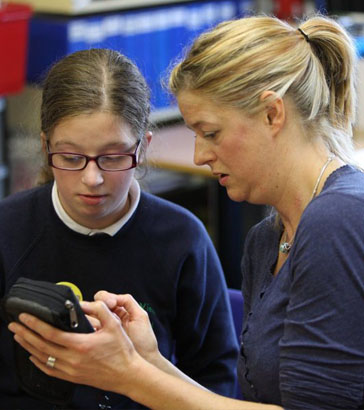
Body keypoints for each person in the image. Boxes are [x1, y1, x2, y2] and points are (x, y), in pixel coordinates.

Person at [7, 13, 364, 409]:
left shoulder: (338, 220)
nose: (199, 155)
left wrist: (127, 374)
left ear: (272, 114)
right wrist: (149, 362)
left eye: (210, 133)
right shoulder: (267, 240)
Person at [0, 48, 239, 409]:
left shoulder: (183, 240)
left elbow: (216, 384)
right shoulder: (8, 230)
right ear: (46, 145)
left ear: (142, 148)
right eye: (70, 158)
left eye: (113, 158)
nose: (92, 178)